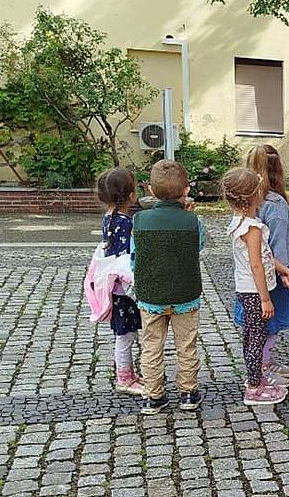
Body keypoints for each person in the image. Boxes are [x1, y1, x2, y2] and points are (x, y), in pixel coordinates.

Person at [131, 160, 207, 415]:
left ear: (150, 190)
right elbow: (198, 246)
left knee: (152, 345)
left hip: (151, 296)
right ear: (186, 190)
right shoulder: (193, 222)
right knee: (186, 344)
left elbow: (134, 256)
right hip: (186, 294)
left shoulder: (139, 221)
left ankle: (153, 396)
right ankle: (187, 392)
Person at [223, 167, 289, 406]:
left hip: (248, 289)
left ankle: (257, 377)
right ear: (253, 196)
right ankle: (254, 387)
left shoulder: (242, 222)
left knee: (253, 335)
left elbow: (263, 257)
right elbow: (256, 265)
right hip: (254, 292)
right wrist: (265, 299)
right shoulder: (252, 229)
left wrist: (281, 268)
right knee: (257, 337)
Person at [237, 145, 289, 381]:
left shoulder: (245, 204)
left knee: (258, 325)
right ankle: (263, 366)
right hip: (272, 275)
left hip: (250, 275)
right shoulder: (276, 205)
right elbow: (276, 247)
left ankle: (265, 362)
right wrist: (285, 272)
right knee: (270, 324)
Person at [96, 167, 145, 395]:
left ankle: (129, 373)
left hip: (115, 286)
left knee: (127, 333)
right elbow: (130, 255)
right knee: (125, 335)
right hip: (124, 288)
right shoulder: (126, 223)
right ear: (131, 196)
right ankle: (124, 378)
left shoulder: (109, 218)